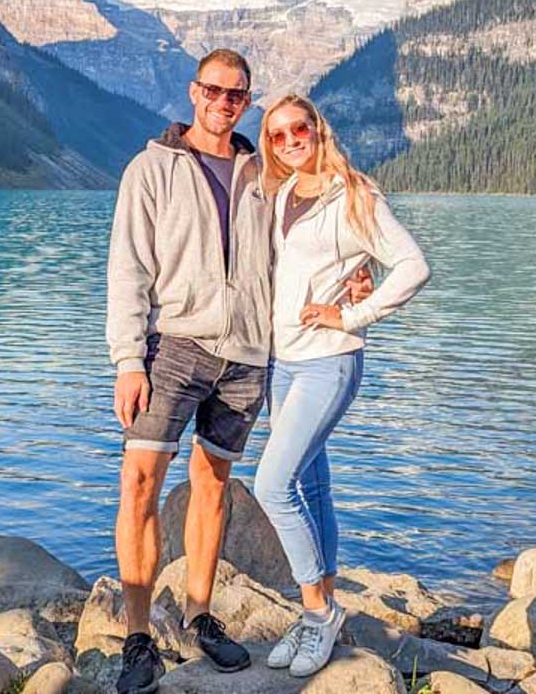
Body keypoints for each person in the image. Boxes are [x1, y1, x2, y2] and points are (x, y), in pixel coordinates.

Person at [253, 93, 431, 679]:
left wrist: (352, 315)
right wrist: (350, 279)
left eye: (297, 130)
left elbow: (412, 265)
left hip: (330, 359)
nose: (288, 142)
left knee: (272, 485)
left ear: (318, 129)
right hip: (285, 362)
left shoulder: (354, 193)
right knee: (312, 486)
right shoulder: (281, 193)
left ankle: (317, 612)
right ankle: (323, 605)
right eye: (276, 136)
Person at [107, 48, 268, 694]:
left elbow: (312, 236)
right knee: (141, 479)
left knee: (212, 485)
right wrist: (127, 360)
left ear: (246, 102)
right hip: (172, 346)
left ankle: (200, 615)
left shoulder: (264, 174)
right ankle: (139, 636)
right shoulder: (152, 168)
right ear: (193, 93)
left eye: (236, 95)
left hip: (246, 354)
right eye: (214, 91)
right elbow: (128, 269)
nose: (223, 103)